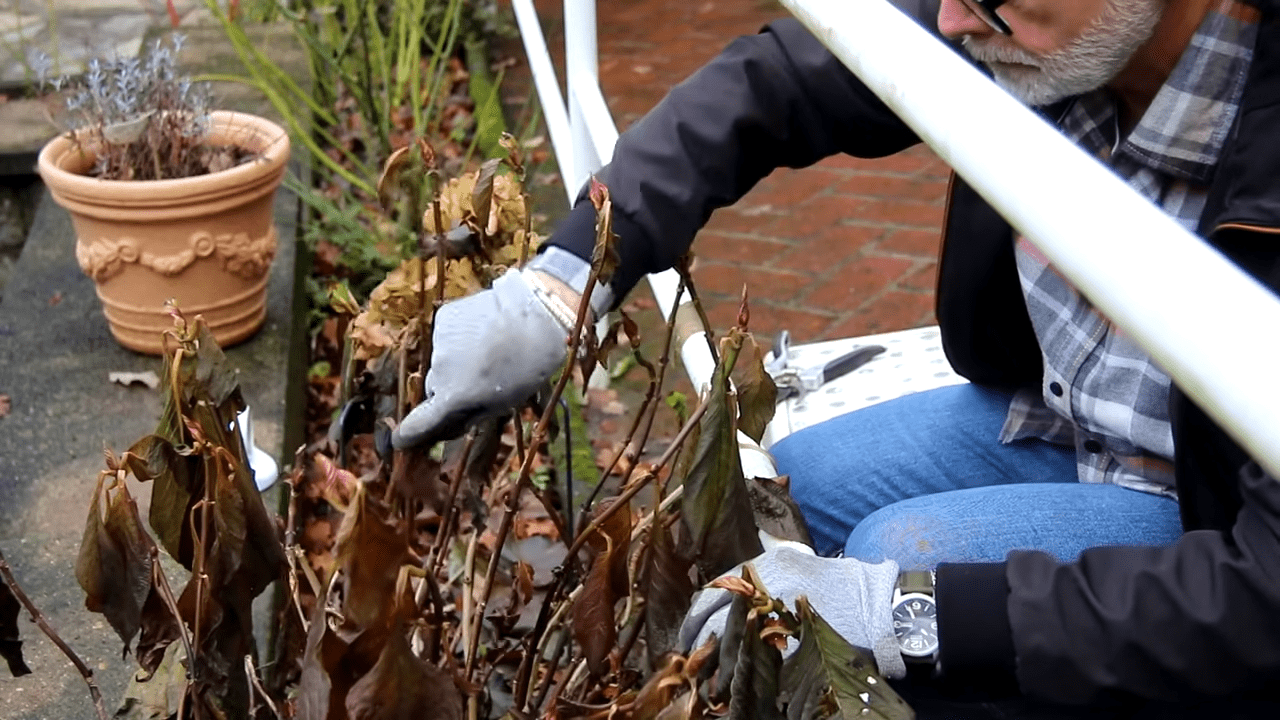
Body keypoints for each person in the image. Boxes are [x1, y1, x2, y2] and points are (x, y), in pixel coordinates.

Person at [394, 0, 1280, 716]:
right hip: (1076, 416)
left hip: (1223, 516)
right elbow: (780, 80)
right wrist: (563, 282)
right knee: (801, 479)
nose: (948, 23)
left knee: (902, 569)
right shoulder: (1032, 22)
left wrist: (912, 615)